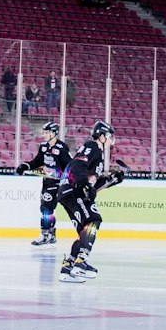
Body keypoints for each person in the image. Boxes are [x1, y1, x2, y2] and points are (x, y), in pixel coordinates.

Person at [56, 120, 124, 282]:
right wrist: (84, 184)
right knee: (94, 220)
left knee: (84, 232)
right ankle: (81, 263)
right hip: (73, 189)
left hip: (69, 191)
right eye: (109, 136)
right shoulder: (93, 147)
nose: (111, 141)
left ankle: (68, 267)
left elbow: (92, 184)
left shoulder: (97, 156)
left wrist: (111, 180)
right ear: (101, 136)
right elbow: (78, 165)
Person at [15, 121, 71, 246]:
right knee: (47, 208)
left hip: (57, 183)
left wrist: (57, 173)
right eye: (44, 132)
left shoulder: (62, 148)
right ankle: (51, 234)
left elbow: (69, 166)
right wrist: (26, 165)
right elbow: (38, 161)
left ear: (53, 133)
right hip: (46, 181)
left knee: (46, 207)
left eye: (46, 132)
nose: (44, 135)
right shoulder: (44, 146)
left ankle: (45, 234)